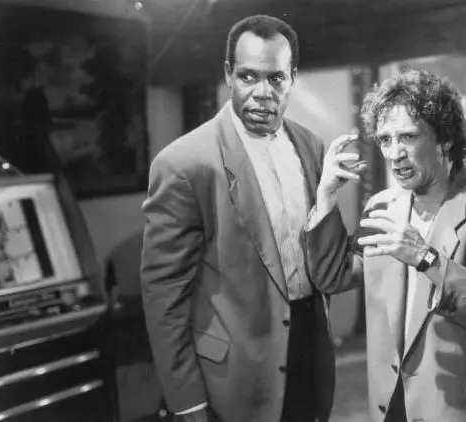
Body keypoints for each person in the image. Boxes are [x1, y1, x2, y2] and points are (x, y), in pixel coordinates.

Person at [140, 14, 352, 422]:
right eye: (248, 76)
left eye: (276, 78)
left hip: (309, 350)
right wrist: (186, 401)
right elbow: (163, 298)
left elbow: (325, 256)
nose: (262, 93)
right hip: (233, 372)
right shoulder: (184, 163)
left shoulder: (311, 145)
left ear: (292, 78)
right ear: (228, 74)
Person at [306, 68, 466, 422]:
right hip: (391, 407)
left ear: (444, 139)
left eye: (408, 136)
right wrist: (326, 196)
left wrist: (426, 259)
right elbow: (333, 277)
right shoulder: (382, 207)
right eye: (385, 139)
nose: (394, 153)